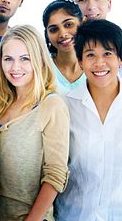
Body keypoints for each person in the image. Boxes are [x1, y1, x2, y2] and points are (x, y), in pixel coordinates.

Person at [0, 25, 69, 220]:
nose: (15, 67)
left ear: (40, 60)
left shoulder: (51, 105)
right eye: (8, 59)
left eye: (24, 58)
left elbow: (56, 174)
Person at [55, 19, 122, 219]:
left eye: (108, 53)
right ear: (81, 62)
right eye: (90, 54)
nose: (99, 63)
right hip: (73, 215)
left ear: (120, 59)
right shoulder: (64, 105)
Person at [42, 0, 86, 92]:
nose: (62, 34)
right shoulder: (41, 68)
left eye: (69, 24)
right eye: (53, 29)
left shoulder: (97, 64)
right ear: (47, 35)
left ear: (83, 23)